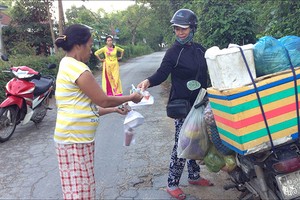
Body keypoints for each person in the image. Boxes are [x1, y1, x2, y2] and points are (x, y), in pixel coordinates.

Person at [54, 24, 143, 200]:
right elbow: (102, 99)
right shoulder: (79, 69)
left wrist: (114, 109)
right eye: (89, 45)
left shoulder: (67, 63)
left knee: (75, 191)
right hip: (75, 140)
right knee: (81, 193)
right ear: (79, 45)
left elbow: (86, 107)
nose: (91, 50)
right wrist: (131, 97)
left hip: (71, 139)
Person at [137, 9, 213, 200]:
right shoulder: (173, 53)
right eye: (177, 29)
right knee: (182, 143)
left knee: (197, 139)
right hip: (182, 106)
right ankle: (172, 183)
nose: (180, 32)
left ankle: (194, 176)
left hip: (199, 103)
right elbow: (162, 73)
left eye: (184, 29)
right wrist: (148, 81)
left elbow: (210, 71)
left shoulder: (200, 50)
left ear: (192, 28)